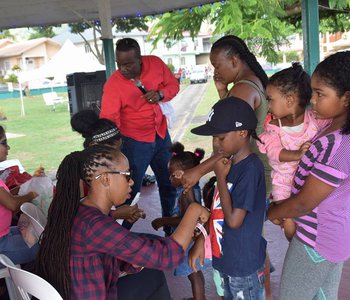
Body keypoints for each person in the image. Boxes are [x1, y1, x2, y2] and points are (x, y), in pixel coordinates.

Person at [36, 144, 210, 300]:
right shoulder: (96, 225)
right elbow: (167, 257)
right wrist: (193, 210)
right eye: (127, 175)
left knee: (151, 274)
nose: (132, 182)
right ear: (105, 179)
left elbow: (106, 255)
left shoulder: (80, 210)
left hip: (79, 291)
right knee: (154, 273)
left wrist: (133, 261)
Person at [267, 51, 350, 300]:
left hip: (316, 240)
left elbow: (304, 202)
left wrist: (272, 212)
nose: (312, 100)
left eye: (320, 94)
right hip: (331, 236)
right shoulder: (331, 128)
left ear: (346, 98)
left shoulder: (338, 145)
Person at [187, 97, 267, 300]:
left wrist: (220, 177)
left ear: (242, 133)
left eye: (220, 138)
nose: (215, 143)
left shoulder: (249, 169)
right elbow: (218, 211)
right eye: (214, 138)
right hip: (226, 259)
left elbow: (234, 220)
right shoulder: (229, 162)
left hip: (242, 266)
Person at [100, 37, 179, 235]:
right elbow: (109, 120)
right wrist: (113, 150)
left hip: (161, 136)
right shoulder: (113, 84)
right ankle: (121, 238)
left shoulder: (156, 64)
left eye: (128, 64)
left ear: (140, 59)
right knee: (129, 192)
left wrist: (160, 95)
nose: (123, 69)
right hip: (134, 143)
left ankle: (171, 231)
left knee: (170, 183)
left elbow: (173, 86)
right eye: (120, 64)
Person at [257, 63, 330, 240]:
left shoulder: (314, 120)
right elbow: (275, 153)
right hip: (284, 185)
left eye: (270, 99)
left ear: (289, 100)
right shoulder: (274, 127)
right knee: (288, 222)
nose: (268, 105)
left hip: (308, 183)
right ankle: (295, 246)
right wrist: (298, 154)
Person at [151, 142, 211, 300]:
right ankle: (200, 297)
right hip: (193, 238)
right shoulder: (189, 188)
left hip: (189, 241)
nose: (169, 178)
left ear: (181, 174)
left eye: (172, 174)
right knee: (195, 272)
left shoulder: (186, 192)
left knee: (193, 274)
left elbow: (186, 220)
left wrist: (162, 220)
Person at [71, 109, 145, 224]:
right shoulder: (79, 174)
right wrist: (115, 214)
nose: (118, 156)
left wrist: (124, 212)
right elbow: (83, 219)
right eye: (113, 153)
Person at [0, 125, 39, 265]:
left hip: (4, 234)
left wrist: (27, 186)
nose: (8, 148)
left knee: (43, 233)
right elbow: (11, 203)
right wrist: (31, 194)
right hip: (1, 245)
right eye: (4, 143)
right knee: (50, 245)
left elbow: (6, 196)